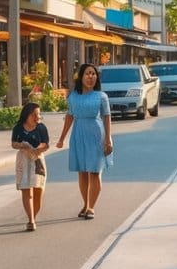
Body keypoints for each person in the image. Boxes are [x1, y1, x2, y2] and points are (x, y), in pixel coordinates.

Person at [56, 63, 113, 220]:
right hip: (78, 134)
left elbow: (107, 118)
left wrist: (108, 139)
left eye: (93, 74)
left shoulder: (101, 96)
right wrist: (61, 138)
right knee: (82, 172)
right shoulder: (73, 96)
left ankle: (91, 207)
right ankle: (85, 204)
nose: (91, 77)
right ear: (81, 77)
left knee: (94, 172)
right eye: (87, 74)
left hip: (96, 135)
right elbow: (69, 116)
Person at [11, 102, 49, 231]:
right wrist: (23, 145)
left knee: (38, 191)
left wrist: (38, 149)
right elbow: (13, 143)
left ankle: (33, 216)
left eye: (38, 114)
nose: (37, 117)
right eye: (34, 114)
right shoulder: (18, 128)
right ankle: (31, 220)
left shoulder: (41, 128)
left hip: (38, 160)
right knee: (26, 189)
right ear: (26, 115)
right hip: (23, 160)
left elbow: (46, 144)